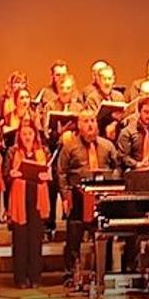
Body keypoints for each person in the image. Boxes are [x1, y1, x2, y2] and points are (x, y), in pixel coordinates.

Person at [56, 111, 122, 281]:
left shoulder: (107, 146)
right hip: (77, 196)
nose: (90, 124)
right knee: (74, 236)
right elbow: (61, 172)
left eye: (92, 120)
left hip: (102, 196)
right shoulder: (69, 146)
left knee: (103, 233)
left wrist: (113, 182)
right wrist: (65, 196)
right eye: (86, 121)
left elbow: (118, 167)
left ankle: (103, 271)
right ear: (79, 125)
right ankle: (70, 273)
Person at [6, 123, 52, 288]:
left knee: (35, 239)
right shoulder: (13, 152)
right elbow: (5, 174)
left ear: (35, 135)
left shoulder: (44, 152)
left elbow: (49, 173)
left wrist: (47, 175)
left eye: (30, 133)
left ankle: (35, 277)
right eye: (24, 133)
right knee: (20, 239)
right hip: (20, 200)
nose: (27, 136)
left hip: (37, 200)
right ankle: (20, 278)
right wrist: (11, 175)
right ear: (19, 136)